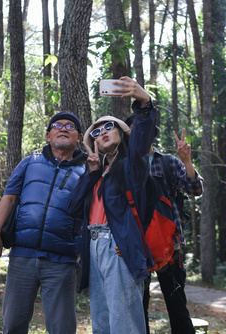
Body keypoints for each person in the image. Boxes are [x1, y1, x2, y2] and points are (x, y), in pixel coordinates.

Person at [67, 76, 157, 334]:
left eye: (108, 126)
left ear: (122, 132)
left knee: (124, 321)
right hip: (93, 248)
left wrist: (143, 103)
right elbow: (73, 207)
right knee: (103, 320)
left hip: (117, 246)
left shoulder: (132, 166)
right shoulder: (98, 174)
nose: (102, 132)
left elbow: (141, 142)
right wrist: (92, 173)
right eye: (96, 131)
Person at [0, 111, 87, 334]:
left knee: (62, 329)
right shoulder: (29, 163)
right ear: (48, 135)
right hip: (22, 257)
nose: (63, 128)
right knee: (13, 325)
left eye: (70, 126)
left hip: (62, 261)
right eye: (57, 125)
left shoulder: (86, 172)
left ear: (79, 137)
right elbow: (8, 199)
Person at [126, 113, 203, 334]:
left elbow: (195, 189)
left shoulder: (167, 162)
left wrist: (186, 160)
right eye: (133, 130)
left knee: (177, 306)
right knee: (139, 307)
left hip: (169, 247)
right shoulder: (124, 166)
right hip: (137, 248)